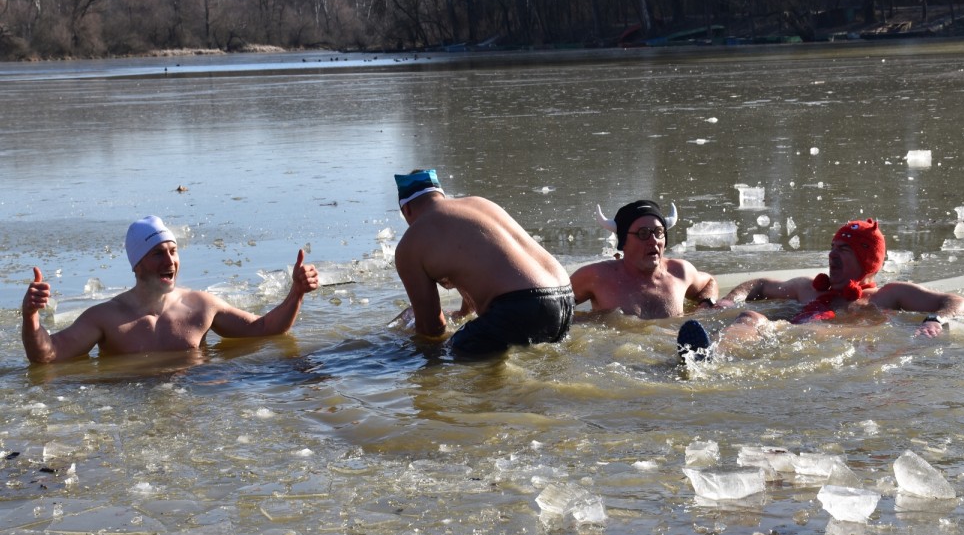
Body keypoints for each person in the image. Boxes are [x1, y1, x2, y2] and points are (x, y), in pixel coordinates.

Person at [21, 215, 319, 364]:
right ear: (137, 264)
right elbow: (48, 355)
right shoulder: (106, 318)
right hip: (129, 408)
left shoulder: (201, 306)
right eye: (157, 253)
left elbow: (265, 328)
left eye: (173, 251)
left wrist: (296, 293)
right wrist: (31, 317)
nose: (170, 261)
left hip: (193, 400)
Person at [677, 217, 964, 360]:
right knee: (752, 317)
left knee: (807, 331)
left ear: (866, 261)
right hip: (783, 335)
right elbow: (759, 284)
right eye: (833, 247)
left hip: (824, 343)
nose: (832, 255)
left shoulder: (887, 294)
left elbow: (962, 303)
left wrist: (935, 320)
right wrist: (732, 299)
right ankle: (710, 355)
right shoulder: (808, 288)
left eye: (844, 251)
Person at [392, 169, 573, 356]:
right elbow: (484, 261)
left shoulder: (412, 242)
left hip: (522, 305)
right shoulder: (478, 204)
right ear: (440, 195)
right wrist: (463, 313)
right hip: (565, 299)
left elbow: (431, 328)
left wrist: (402, 339)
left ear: (406, 209)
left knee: (450, 352)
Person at [570, 200, 718, 319]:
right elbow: (552, 304)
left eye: (659, 232)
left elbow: (709, 283)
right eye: (643, 233)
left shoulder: (680, 272)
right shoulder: (597, 276)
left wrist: (705, 305)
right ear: (624, 243)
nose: (653, 240)